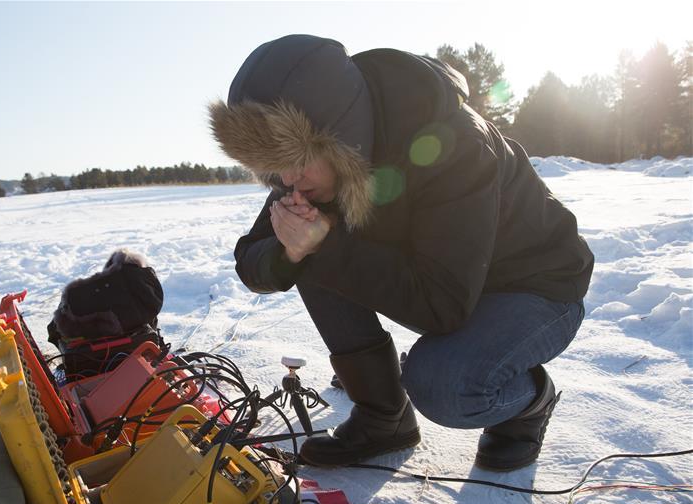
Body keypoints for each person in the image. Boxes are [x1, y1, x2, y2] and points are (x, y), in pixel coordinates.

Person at [209, 34, 594, 471]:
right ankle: (384, 417)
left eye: (296, 158)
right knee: (308, 246)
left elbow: (440, 306)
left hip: (536, 286)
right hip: (449, 279)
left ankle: (530, 400)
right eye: (273, 164)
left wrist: (323, 245)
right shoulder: (312, 170)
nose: (288, 178)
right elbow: (250, 257)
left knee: (444, 385)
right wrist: (291, 253)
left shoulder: (453, 144)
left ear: (341, 132)